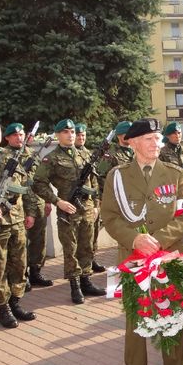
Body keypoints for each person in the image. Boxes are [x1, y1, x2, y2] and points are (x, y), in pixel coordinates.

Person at [101, 118, 183, 365]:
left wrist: (159, 241)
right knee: (135, 319)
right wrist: (135, 239)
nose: (157, 144)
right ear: (133, 143)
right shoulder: (116, 176)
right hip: (133, 258)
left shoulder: (176, 174)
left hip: (167, 257)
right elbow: (110, 216)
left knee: (170, 314)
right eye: (150, 139)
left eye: (158, 138)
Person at [33, 119, 106, 304]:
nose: (71, 134)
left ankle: (86, 281)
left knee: (87, 246)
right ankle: (75, 286)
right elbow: (38, 183)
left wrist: (96, 204)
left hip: (88, 209)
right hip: (68, 211)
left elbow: (94, 181)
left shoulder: (85, 154)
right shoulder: (52, 158)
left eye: (72, 131)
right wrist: (58, 202)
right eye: (66, 132)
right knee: (71, 249)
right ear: (58, 135)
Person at [0, 118, 37, 328]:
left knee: (19, 264)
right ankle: (3, 308)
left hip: (16, 218)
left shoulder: (9, 155)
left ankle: (15, 301)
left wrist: (29, 212)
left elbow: (23, 184)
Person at [3, 123, 54, 289]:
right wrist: (28, 212)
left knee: (39, 240)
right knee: (20, 244)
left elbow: (42, 180)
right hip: (19, 206)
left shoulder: (33, 154)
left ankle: (36, 272)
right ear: (8, 138)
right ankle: (21, 276)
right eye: (15, 135)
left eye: (21, 134)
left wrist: (47, 201)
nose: (19, 137)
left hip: (38, 202)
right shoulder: (6, 156)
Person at [74, 123, 106, 273]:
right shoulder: (70, 154)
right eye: (79, 135)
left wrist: (97, 204)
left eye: (83, 135)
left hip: (90, 203)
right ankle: (80, 271)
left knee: (92, 234)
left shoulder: (89, 154)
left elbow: (95, 182)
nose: (81, 138)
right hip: (74, 205)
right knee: (78, 241)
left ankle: (91, 259)